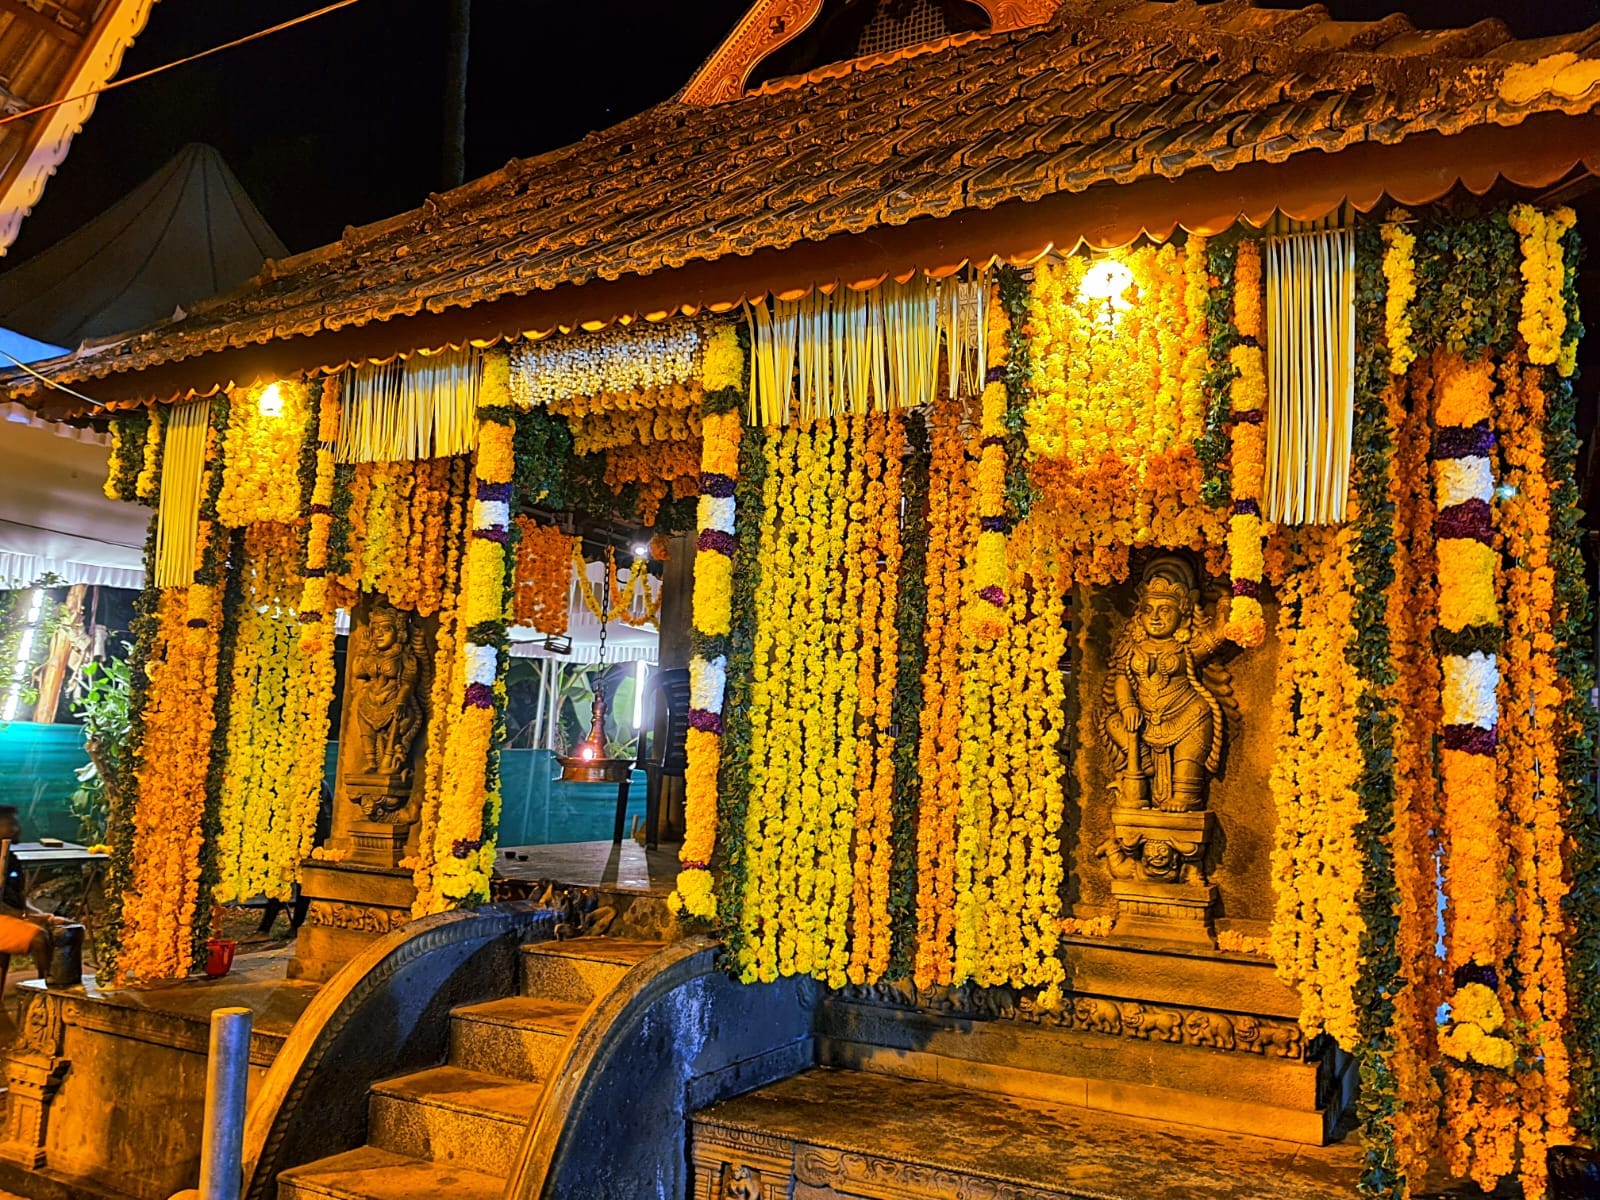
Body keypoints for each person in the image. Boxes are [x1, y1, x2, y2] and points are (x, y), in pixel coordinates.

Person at [0, 806, 69, 976]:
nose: (17, 829)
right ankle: (46, 992)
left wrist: (44, 916)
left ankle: (66, 984)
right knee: (39, 938)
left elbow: (19, 898)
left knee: (69, 929)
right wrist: (30, 918)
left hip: (7, 918)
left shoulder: (10, 859)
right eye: (10, 824)